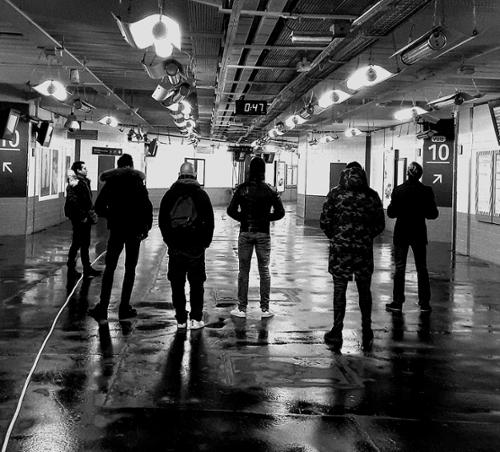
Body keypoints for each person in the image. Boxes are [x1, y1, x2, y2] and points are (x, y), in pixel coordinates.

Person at [320, 163, 385, 351]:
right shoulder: (371, 196)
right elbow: (380, 224)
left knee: (339, 290)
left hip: (340, 251)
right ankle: (367, 330)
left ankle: (337, 331)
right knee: (364, 291)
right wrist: (365, 237)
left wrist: (336, 237)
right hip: (363, 251)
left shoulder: (335, 194)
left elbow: (325, 221)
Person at [88, 154, 153, 322]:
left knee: (110, 268)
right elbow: (147, 207)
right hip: (134, 231)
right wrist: (146, 227)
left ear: (118, 165)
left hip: (117, 230)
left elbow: (99, 206)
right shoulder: (138, 182)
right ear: (131, 165)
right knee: (130, 269)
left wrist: (112, 215)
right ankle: (124, 307)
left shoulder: (112, 182)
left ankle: (103, 307)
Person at [227, 156, 285, 318]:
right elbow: (280, 212)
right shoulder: (270, 190)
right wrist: (266, 218)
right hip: (263, 234)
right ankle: (265, 308)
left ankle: (241, 308)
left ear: (249, 170)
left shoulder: (242, 189)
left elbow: (230, 210)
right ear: (264, 171)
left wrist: (244, 218)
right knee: (264, 270)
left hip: (245, 232)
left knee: (243, 271)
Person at [158, 162, 214, 330]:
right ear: (195, 175)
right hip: (196, 248)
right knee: (197, 284)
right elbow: (209, 222)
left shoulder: (170, 195)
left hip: (176, 248)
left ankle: (181, 319)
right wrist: (204, 243)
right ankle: (196, 319)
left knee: (177, 284)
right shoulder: (201, 195)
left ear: (179, 174)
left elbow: (162, 221)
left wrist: (170, 241)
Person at [385, 161, 439, 313]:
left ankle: (397, 302)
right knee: (422, 268)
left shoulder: (398, 190)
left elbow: (391, 213)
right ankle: (424, 303)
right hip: (418, 233)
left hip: (401, 233)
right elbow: (433, 214)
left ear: (407, 173)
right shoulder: (426, 191)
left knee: (399, 268)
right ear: (420, 175)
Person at [64, 161, 101, 278]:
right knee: (78, 242)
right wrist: (82, 216)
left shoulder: (85, 182)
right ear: (78, 170)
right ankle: (72, 266)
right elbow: (74, 201)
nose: (86, 170)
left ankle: (86, 267)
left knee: (85, 242)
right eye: (84, 168)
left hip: (86, 215)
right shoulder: (75, 183)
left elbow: (86, 200)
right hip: (79, 217)